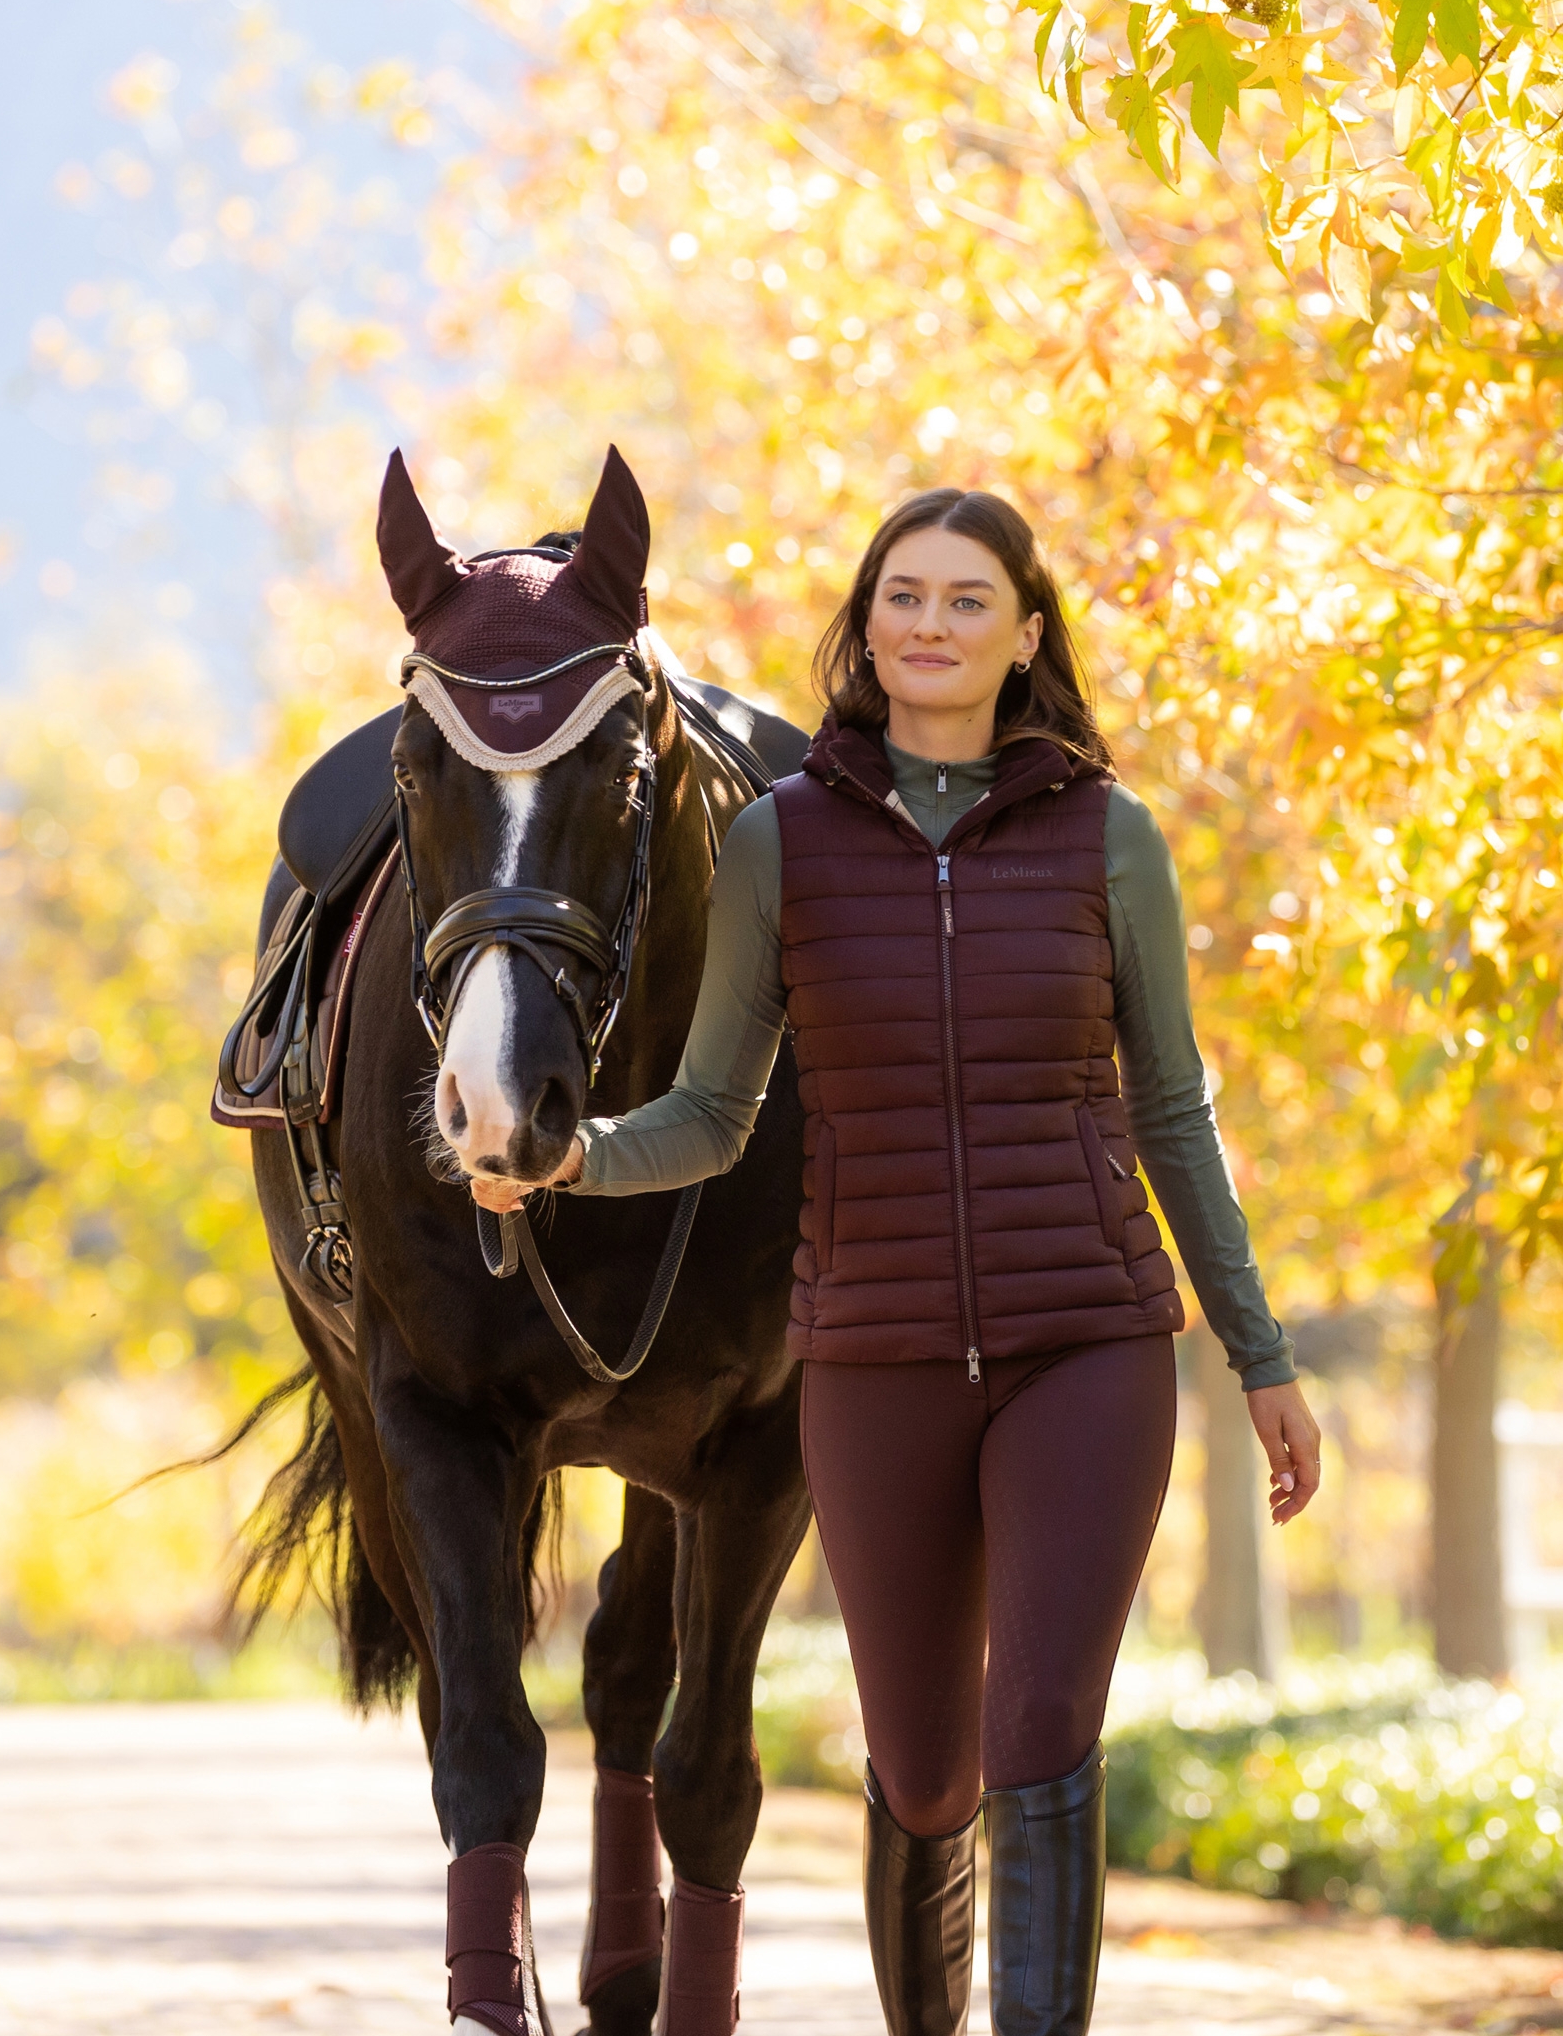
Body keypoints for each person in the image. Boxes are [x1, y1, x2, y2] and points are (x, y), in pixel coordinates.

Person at [477, 487, 1321, 2036]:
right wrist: (577, 1154)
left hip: (1091, 1339)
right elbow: (716, 1111)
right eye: (903, 596)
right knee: (925, 1764)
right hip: (874, 1356)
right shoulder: (778, 843)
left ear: (1026, 634)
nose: (929, 625)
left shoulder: (1105, 836)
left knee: (1042, 1723)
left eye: (967, 599)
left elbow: (1176, 1112)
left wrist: (1258, 1353)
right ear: (865, 625)